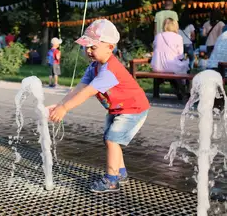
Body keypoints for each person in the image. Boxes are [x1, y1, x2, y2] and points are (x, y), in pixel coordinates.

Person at [48, 19, 150, 193]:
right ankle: (121, 173)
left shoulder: (110, 70)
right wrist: (60, 104)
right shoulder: (95, 67)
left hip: (133, 109)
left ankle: (111, 180)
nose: (88, 51)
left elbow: (88, 92)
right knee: (110, 139)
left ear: (110, 47)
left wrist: (65, 109)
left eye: (93, 47)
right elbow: (79, 88)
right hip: (118, 109)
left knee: (112, 139)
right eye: (86, 46)